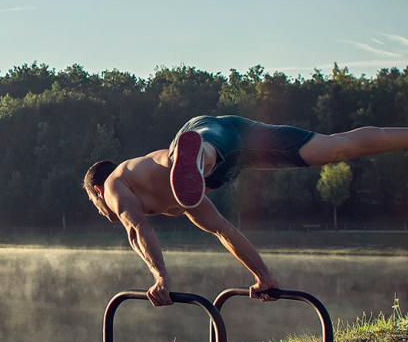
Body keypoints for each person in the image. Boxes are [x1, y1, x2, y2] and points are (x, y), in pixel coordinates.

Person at [83, 116, 408, 307]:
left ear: (97, 192)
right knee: (337, 147)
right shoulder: (182, 199)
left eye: (96, 203)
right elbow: (224, 230)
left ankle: (197, 155)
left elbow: (137, 229)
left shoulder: (113, 183)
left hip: (204, 134)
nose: (103, 208)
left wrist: (161, 277)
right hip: (241, 147)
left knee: (199, 153)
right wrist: (263, 277)